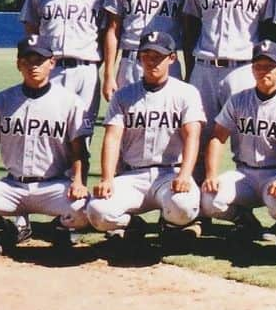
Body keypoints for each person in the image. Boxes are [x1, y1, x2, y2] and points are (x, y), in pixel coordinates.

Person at [0, 34, 90, 256]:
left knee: (86, 208)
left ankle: (59, 228)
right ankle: (4, 230)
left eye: (39, 61)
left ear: (51, 63)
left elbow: (79, 151)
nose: (33, 66)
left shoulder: (70, 102)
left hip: (53, 187)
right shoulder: (2, 100)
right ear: (18, 64)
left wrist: (79, 182)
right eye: (27, 61)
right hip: (12, 187)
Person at [84, 30, 205, 251]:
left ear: (171, 58)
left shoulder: (186, 93)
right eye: (147, 55)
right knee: (97, 212)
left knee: (184, 207)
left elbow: (192, 136)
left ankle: (171, 226)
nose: (152, 61)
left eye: (158, 56)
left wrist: (185, 174)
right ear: (139, 57)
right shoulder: (124, 95)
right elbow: (112, 138)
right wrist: (107, 178)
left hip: (170, 174)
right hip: (133, 175)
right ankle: (133, 226)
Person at [200, 40, 276, 249]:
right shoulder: (238, 100)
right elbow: (217, 137)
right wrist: (211, 174)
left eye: (270, 66)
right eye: (258, 66)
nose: (263, 71)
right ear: (252, 69)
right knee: (209, 199)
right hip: (245, 174)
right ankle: (245, 222)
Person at [182, 0, 274, 136]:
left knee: (247, 136)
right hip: (204, 68)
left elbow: (268, 33)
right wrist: (190, 70)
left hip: (242, 68)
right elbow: (190, 30)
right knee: (199, 135)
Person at [20, 0, 106, 135]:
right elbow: (31, 32)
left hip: (87, 70)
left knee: (82, 133)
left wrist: (95, 65)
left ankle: (78, 169)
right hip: (52, 68)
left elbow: (104, 35)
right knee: (51, 130)